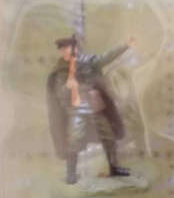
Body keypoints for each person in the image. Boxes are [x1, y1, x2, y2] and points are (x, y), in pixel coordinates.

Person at [47, 35, 135, 184]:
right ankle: (71, 174)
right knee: (74, 139)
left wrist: (125, 45)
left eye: (67, 49)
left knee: (108, 136)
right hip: (76, 107)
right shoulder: (61, 69)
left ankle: (114, 168)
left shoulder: (88, 61)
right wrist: (68, 86)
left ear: (75, 49)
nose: (64, 52)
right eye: (62, 50)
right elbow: (59, 93)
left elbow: (106, 57)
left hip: (94, 104)